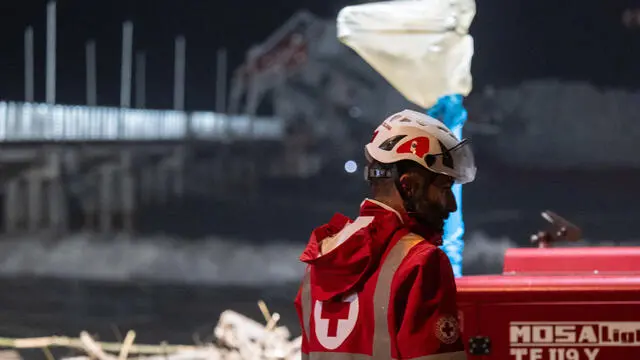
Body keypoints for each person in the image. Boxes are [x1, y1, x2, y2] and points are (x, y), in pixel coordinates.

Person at [294, 109, 476, 360]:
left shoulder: (321, 258)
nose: (452, 204)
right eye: (444, 188)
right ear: (409, 186)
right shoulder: (421, 262)